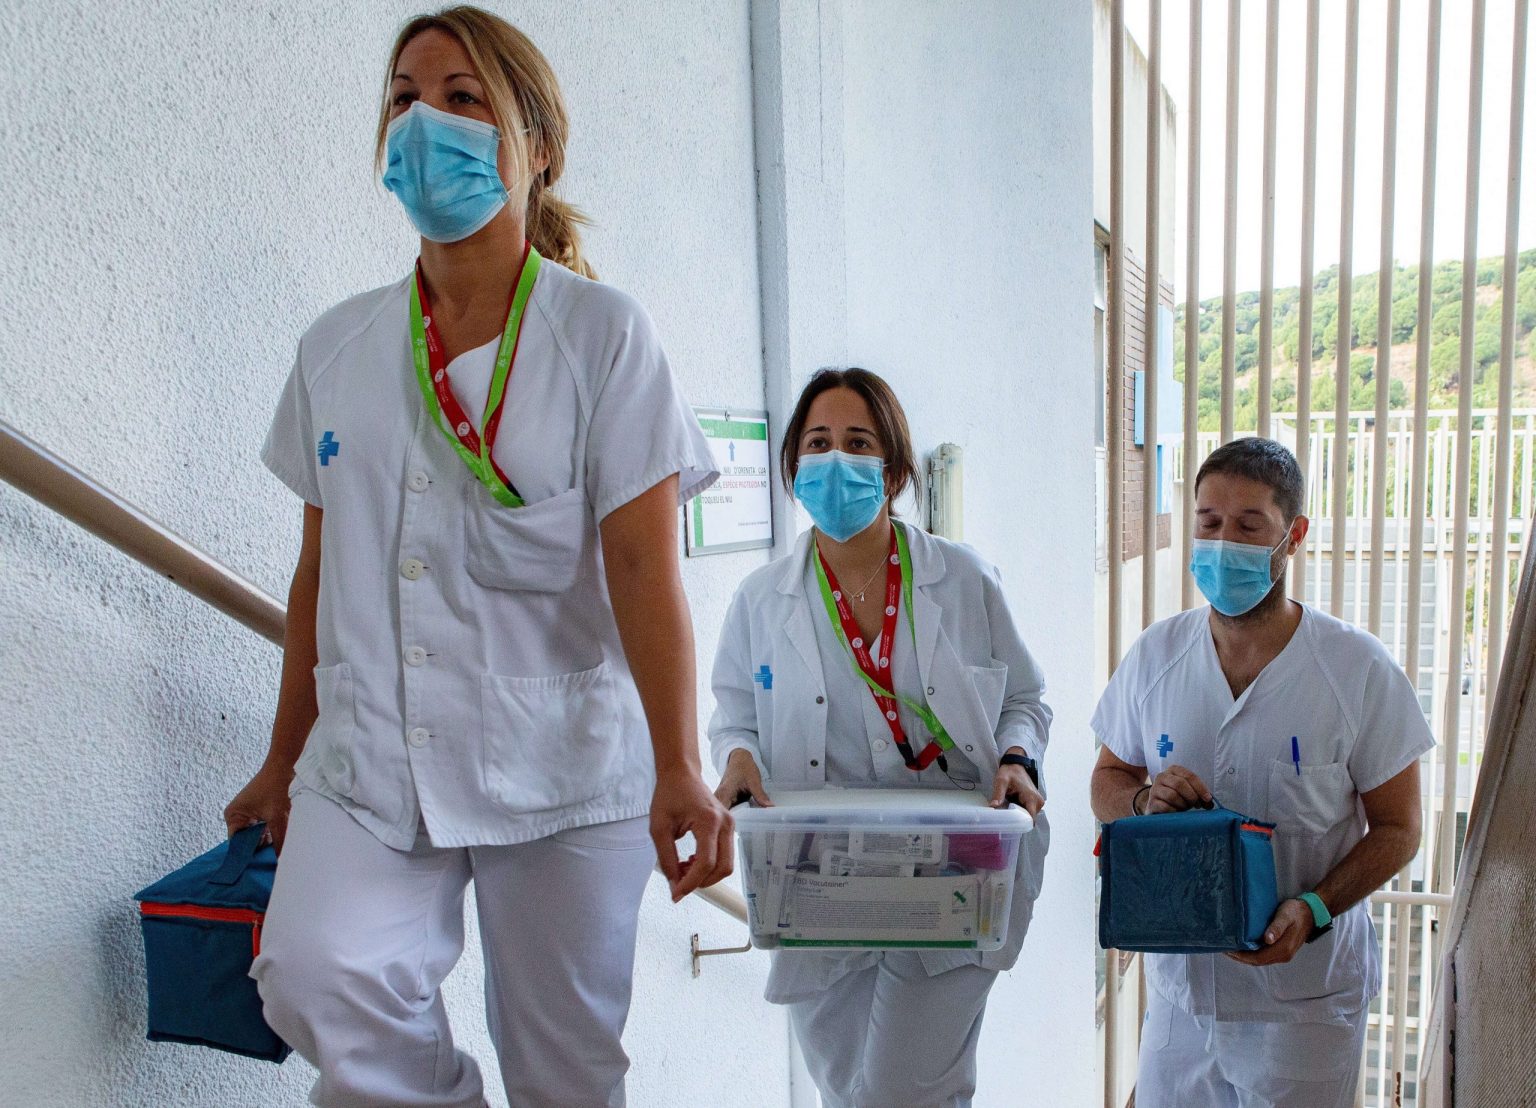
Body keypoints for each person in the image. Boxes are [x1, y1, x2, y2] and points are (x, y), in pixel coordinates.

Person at [222, 8, 731, 1105]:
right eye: (405, 98)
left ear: (537, 147)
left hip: (563, 763)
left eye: (462, 98)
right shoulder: (337, 347)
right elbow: (318, 576)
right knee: (313, 971)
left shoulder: (602, 335)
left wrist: (679, 761)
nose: (426, 122)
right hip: (372, 757)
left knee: (566, 1068)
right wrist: (280, 757)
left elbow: (645, 572)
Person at [709, 368, 1051, 1108]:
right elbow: (734, 715)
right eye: (817, 443)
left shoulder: (963, 580)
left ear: (894, 470)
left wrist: (1018, 758)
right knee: (845, 1092)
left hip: (954, 871)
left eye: (858, 443)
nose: (835, 460)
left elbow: (1025, 699)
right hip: (817, 881)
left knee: (905, 1092)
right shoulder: (760, 600)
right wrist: (737, 757)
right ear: (793, 467)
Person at [1090, 437, 1432, 1108]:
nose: (1224, 544)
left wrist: (1315, 908)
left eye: (1249, 526)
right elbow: (1107, 780)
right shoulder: (1156, 655)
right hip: (1181, 999)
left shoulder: (1356, 670)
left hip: (1303, 1009)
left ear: (1293, 536)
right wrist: (1142, 801)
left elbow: (1400, 828)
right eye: (1209, 522)